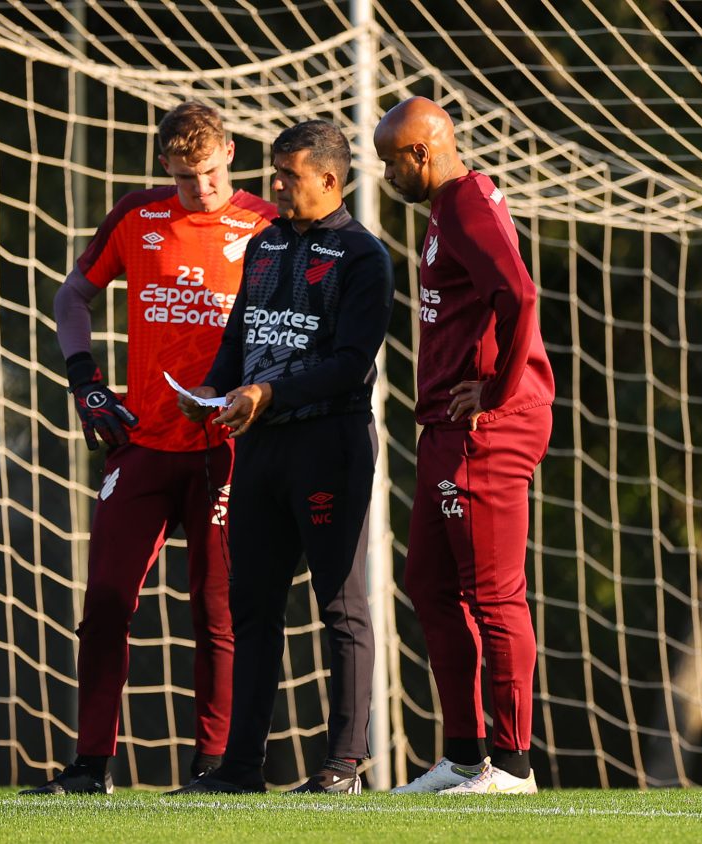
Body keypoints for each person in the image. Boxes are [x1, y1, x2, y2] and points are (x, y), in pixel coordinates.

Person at [21, 102, 277, 795]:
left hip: (226, 446)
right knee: (105, 597)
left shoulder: (265, 223)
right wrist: (88, 385)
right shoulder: (138, 215)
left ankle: (213, 767)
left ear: (230, 150)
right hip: (143, 443)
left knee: (216, 607)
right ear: (166, 165)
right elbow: (74, 294)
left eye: (212, 171)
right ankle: (90, 766)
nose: (202, 189)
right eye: (188, 176)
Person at [170, 119, 394, 795]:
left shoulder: (364, 256)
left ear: (329, 179)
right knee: (252, 604)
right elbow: (243, 330)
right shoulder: (265, 241)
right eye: (274, 172)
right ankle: (241, 769)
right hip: (260, 446)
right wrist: (214, 385)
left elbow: (353, 365)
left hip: (329, 444)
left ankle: (343, 766)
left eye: (288, 175)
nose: (275, 186)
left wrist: (269, 391)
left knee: (341, 607)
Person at [373, 96, 555, 795]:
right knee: (428, 581)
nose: (387, 173)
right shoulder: (447, 209)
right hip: (447, 427)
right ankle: (464, 754)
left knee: (495, 593)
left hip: (486, 428)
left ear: (422, 152)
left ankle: (512, 765)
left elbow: (521, 296)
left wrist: (499, 392)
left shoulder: (469, 202)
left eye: (393, 160)